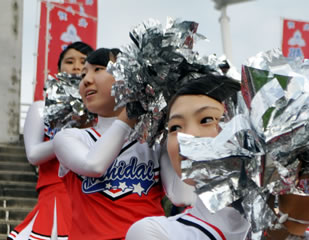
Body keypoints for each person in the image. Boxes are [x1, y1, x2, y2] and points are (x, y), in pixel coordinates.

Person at [52, 48, 173, 240]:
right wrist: (132, 111)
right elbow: (93, 165)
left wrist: (177, 127)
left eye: (98, 69)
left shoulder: (154, 142)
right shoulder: (69, 137)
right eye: (84, 74)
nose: (86, 80)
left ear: (129, 77)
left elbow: (182, 196)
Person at [126, 74, 251, 240]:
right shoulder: (157, 233)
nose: (186, 137)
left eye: (206, 119)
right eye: (175, 127)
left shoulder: (291, 220)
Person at [7, 41, 93, 240]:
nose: (77, 67)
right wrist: (71, 133)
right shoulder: (41, 107)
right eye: (70, 61)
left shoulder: (100, 112)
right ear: (58, 69)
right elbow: (33, 154)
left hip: (92, 199)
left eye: (84, 62)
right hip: (56, 194)